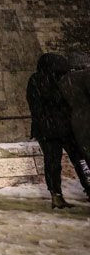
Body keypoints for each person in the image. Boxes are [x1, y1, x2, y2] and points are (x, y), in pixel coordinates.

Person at [28, 53, 90, 207]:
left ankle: (57, 194)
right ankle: (69, 192)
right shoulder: (59, 80)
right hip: (58, 129)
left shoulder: (39, 80)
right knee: (76, 160)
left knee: (57, 162)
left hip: (52, 130)